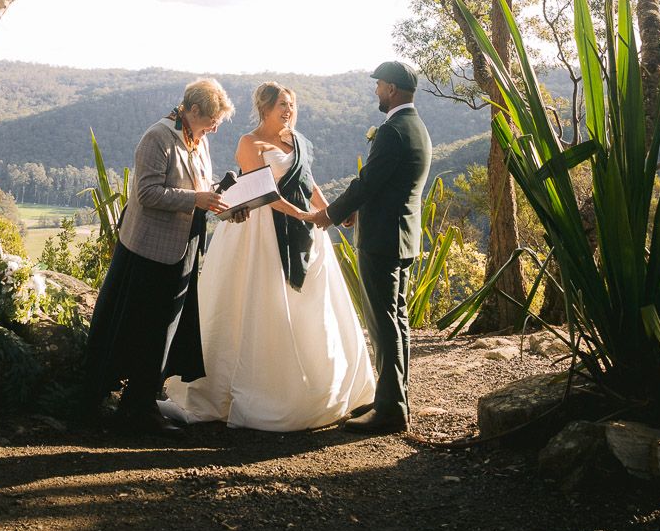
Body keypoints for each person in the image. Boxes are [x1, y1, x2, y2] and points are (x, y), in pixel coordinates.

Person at [164, 82, 375, 431]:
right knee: (262, 304)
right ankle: (256, 391)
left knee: (314, 308)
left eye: (291, 104)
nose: (289, 110)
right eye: (282, 105)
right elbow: (267, 192)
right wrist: (303, 215)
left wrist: (328, 213)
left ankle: (321, 389)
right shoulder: (250, 143)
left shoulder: (297, 141)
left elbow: (309, 183)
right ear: (265, 108)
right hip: (261, 231)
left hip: (305, 231)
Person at [78, 77, 235, 436]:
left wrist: (221, 200)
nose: (214, 128)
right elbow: (147, 193)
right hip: (148, 251)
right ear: (191, 109)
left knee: (165, 330)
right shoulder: (158, 137)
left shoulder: (199, 139)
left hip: (184, 247)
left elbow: (200, 188)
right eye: (211, 120)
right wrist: (195, 199)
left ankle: (141, 402)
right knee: (142, 329)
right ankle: (130, 409)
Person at [312, 59, 432, 435]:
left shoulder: (392, 131)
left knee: (383, 324)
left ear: (391, 89)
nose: (376, 90)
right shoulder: (417, 127)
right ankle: (392, 398)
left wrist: (330, 214)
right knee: (397, 320)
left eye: (379, 85)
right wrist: (356, 209)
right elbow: (387, 183)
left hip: (381, 239)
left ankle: (391, 410)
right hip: (403, 237)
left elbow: (368, 182)